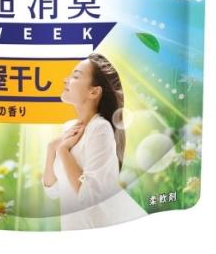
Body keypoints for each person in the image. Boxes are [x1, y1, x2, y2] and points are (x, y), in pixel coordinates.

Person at [42, 53, 146, 230]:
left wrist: (63, 152)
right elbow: (52, 190)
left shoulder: (100, 129)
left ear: (94, 91)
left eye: (75, 76)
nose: (66, 80)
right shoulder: (70, 129)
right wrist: (52, 148)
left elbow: (89, 197)